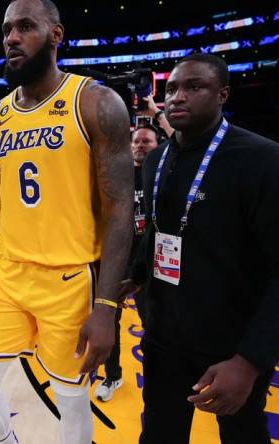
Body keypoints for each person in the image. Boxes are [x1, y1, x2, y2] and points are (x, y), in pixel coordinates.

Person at [0, 1, 134, 443]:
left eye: (26, 27)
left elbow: (121, 209)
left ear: (56, 35)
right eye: (7, 28)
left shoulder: (95, 102)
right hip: (8, 274)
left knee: (70, 402)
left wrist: (106, 307)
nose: (12, 37)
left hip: (70, 279)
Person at [129, 54, 279, 443]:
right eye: (170, 89)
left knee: (243, 435)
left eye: (194, 87)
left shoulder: (264, 160)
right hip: (163, 335)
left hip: (232, 343)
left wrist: (250, 361)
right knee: (158, 432)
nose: (177, 98)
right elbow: (158, 231)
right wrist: (136, 274)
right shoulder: (156, 159)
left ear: (223, 94)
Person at [95, 124, 159, 404]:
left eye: (147, 141)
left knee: (155, 324)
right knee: (110, 320)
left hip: (151, 259)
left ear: (159, 145)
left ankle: (160, 378)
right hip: (118, 258)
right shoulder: (118, 175)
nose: (141, 145)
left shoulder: (164, 174)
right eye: (137, 141)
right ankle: (112, 375)